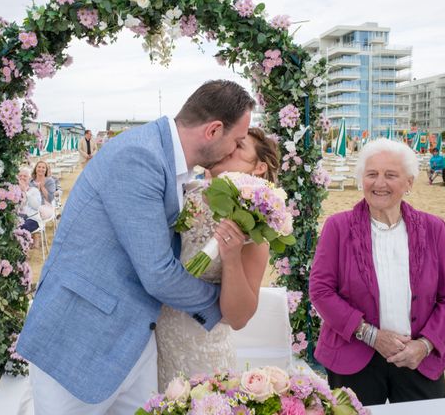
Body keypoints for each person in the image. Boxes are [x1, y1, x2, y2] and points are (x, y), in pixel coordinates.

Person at [17, 80, 255, 414]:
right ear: (214, 130)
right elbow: (157, 272)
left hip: (136, 340)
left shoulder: (178, 167)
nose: (236, 149)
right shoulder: (138, 155)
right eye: (238, 140)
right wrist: (221, 305)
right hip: (79, 337)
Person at [309, 138, 445, 406]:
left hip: (417, 358)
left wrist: (425, 345)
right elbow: (321, 291)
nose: (379, 183)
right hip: (353, 357)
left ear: (409, 183)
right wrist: (371, 335)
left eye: (391, 175)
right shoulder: (338, 227)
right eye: (372, 174)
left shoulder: (434, 228)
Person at [156, 127, 279, 389]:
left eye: (238, 146)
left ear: (258, 168)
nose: (228, 148)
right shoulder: (184, 190)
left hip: (201, 354)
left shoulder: (255, 228)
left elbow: (239, 318)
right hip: (150, 345)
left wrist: (232, 258)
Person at [18, 166, 42, 233]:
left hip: (32, 219)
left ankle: (24, 242)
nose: (22, 177)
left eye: (25, 176)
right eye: (20, 176)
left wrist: (25, 191)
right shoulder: (14, 190)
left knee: (23, 228)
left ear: (29, 178)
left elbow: (36, 206)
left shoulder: (34, 190)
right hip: (18, 218)